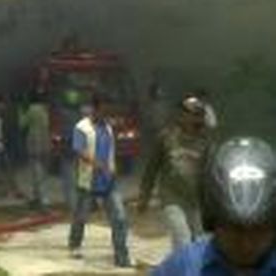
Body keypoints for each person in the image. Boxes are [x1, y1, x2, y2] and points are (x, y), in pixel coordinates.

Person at [153, 136, 276, 275]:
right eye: (234, 230)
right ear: (212, 221)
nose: (246, 245)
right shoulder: (181, 268)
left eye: (259, 231)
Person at [138, 95, 211, 250]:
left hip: (196, 201)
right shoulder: (166, 138)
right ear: (182, 115)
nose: (193, 118)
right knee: (182, 238)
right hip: (171, 197)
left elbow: (211, 173)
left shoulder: (205, 142)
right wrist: (144, 196)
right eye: (190, 113)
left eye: (197, 114)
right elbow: (152, 169)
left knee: (202, 241)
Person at [68, 94, 131, 267]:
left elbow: (110, 151)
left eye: (108, 110)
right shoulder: (81, 127)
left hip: (109, 181)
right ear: (95, 109)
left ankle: (122, 256)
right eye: (104, 110)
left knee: (119, 218)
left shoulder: (108, 128)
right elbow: (79, 150)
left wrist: (111, 169)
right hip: (88, 181)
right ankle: (74, 244)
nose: (107, 113)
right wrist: (97, 164)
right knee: (81, 216)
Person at [21, 87, 51, 211]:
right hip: (44, 142)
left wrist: (21, 112)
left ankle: (42, 201)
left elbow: (22, 124)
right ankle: (37, 199)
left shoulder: (31, 110)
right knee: (41, 173)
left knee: (36, 173)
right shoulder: (44, 110)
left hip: (34, 143)